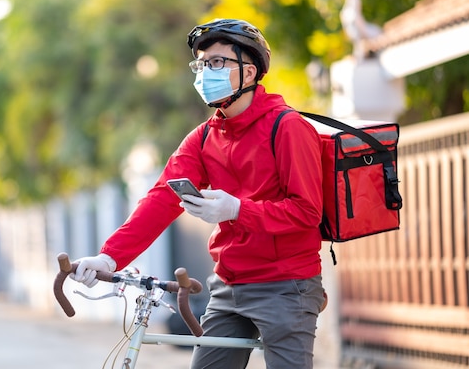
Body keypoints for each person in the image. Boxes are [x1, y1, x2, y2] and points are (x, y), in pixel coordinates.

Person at [71, 18, 326, 369]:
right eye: (202, 64)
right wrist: (108, 258)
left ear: (248, 73)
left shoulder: (288, 127)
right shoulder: (205, 137)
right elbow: (161, 198)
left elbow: (307, 212)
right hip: (228, 285)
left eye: (218, 62)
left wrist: (238, 210)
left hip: (286, 286)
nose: (206, 71)